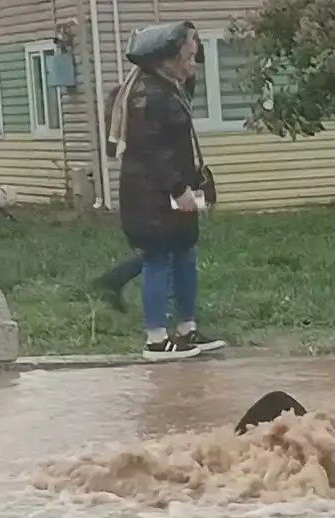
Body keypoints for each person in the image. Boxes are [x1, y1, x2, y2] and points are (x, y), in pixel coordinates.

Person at [108, 22, 224, 360]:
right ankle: (156, 339)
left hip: (172, 189)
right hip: (151, 194)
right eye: (188, 56)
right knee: (158, 260)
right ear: (166, 58)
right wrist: (178, 187)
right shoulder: (149, 95)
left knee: (185, 255)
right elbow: (151, 149)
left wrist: (185, 186)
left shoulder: (168, 86)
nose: (193, 62)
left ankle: (187, 330)